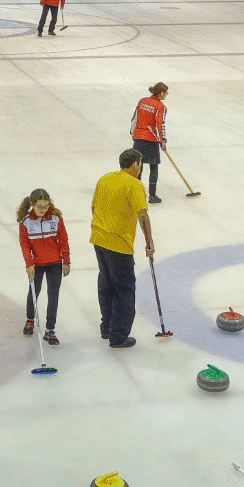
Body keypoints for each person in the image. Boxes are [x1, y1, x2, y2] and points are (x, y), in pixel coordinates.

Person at [90, 148, 155, 349]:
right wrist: (149, 241)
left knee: (106, 283)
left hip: (99, 240)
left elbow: (93, 207)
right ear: (135, 164)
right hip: (119, 245)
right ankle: (118, 336)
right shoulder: (134, 184)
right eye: (140, 164)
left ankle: (106, 327)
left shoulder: (105, 179)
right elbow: (142, 215)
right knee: (124, 290)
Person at [17, 189, 71, 344]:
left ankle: (50, 330)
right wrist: (29, 264)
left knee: (53, 296)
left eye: (46, 206)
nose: (43, 210)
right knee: (34, 292)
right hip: (37, 265)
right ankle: (30, 319)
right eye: (40, 206)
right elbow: (25, 245)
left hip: (55, 264)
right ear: (32, 204)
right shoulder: (26, 222)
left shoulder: (55, 218)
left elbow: (63, 240)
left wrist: (66, 261)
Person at [130, 82, 168, 205]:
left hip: (138, 138)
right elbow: (160, 125)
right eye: (166, 93)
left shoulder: (142, 101)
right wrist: (162, 141)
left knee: (138, 167)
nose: (166, 95)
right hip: (151, 140)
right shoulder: (160, 106)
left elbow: (134, 118)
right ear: (161, 93)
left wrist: (133, 133)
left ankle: (136, 194)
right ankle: (152, 195)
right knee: (153, 166)